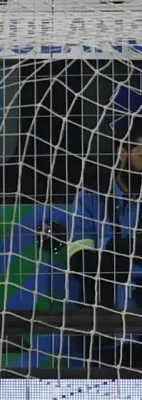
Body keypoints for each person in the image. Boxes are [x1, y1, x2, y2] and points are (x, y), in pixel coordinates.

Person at [65, 117, 142, 366]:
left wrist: (113, 255)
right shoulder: (90, 197)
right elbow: (80, 263)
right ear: (123, 151)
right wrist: (124, 252)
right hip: (101, 329)